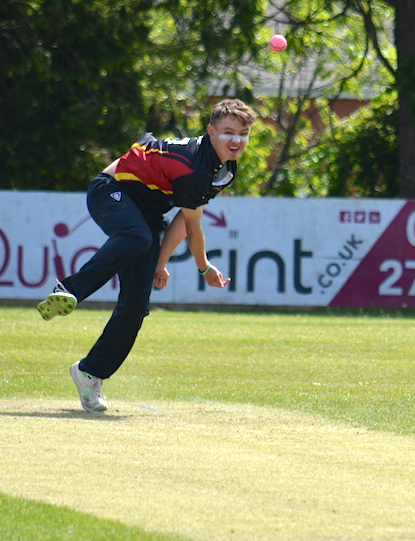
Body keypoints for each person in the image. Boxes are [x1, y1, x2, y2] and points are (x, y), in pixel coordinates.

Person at [37, 99, 256, 412]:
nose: (236, 140)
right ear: (211, 132)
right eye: (228, 132)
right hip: (111, 191)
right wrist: (204, 267)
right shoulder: (195, 166)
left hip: (146, 213)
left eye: (243, 134)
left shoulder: (223, 170)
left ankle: (90, 373)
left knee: (136, 306)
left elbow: (183, 219)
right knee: (137, 237)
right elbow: (193, 227)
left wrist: (160, 263)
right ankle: (69, 290)